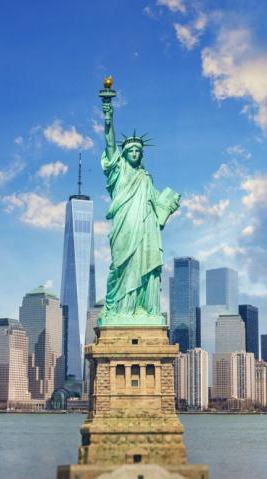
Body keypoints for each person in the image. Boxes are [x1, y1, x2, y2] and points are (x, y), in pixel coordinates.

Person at [98, 98, 180, 326]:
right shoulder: (118, 171)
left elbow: (158, 206)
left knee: (144, 264)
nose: (134, 153)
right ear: (124, 154)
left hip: (145, 229)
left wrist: (169, 205)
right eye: (130, 151)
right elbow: (110, 146)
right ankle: (121, 309)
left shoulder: (145, 178)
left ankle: (143, 308)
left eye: (138, 151)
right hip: (125, 226)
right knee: (121, 266)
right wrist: (108, 118)